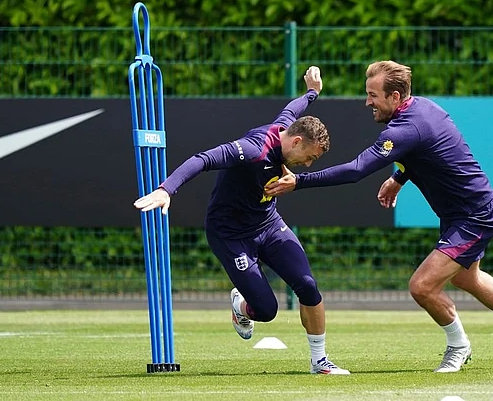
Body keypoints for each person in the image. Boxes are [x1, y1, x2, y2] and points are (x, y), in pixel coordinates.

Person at [265, 60, 493, 373]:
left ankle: (458, 345)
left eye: (373, 95)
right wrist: (399, 178)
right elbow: (428, 152)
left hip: (474, 215)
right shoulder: (423, 109)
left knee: (422, 286)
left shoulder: (406, 127)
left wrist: (299, 181)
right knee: (467, 277)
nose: (367, 101)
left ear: (395, 97)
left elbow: (357, 170)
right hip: (461, 213)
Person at [133, 66, 350, 375]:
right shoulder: (252, 150)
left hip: (268, 224)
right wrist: (167, 189)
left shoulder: (286, 127)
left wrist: (313, 92)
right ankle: (240, 305)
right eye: (310, 157)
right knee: (266, 310)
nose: (307, 165)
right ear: (297, 141)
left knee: (308, 285)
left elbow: (293, 108)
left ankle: (319, 362)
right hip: (230, 234)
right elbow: (203, 159)